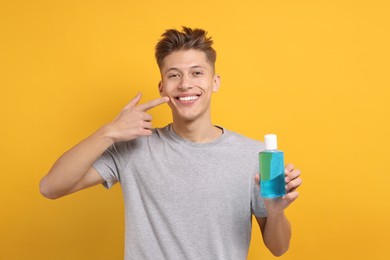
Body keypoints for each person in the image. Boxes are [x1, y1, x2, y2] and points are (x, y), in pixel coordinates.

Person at [40, 26, 302, 259]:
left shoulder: (253, 155)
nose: (185, 84)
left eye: (197, 73)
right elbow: (50, 187)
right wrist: (108, 132)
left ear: (215, 82)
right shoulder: (135, 147)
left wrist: (276, 212)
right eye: (174, 75)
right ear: (162, 87)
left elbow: (279, 248)